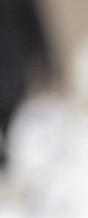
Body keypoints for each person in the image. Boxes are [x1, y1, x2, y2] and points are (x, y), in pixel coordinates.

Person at [0, 0, 53, 173]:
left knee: (9, 120)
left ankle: (6, 159)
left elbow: (35, 28)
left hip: (12, 72)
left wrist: (45, 62)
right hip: (13, 72)